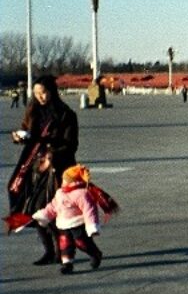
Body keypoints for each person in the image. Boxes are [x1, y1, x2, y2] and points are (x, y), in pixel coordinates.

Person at [6, 75, 79, 265]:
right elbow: (26, 130)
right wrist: (18, 137)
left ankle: (59, 249)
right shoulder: (33, 111)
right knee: (26, 201)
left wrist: (51, 151)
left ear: (52, 92)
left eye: (44, 93)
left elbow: (71, 144)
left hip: (55, 167)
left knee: (46, 209)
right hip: (32, 164)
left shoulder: (66, 114)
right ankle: (49, 250)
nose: (40, 97)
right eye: (37, 93)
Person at [32, 164, 117, 274]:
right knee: (64, 244)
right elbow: (53, 206)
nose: (63, 182)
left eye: (65, 180)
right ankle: (67, 264)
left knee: (82, 242)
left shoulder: (82, 194)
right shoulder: (60, 193)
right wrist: (44, 215)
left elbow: (89, 210)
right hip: (63, 223)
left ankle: (95, 253)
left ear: (72, 181)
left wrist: (92, 226)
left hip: (77, 223)